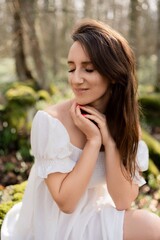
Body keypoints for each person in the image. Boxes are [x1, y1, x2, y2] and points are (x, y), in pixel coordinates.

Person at [1, 18, 160, 240]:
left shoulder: (125, 122)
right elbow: (65, 203)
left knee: (153, 227)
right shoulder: (50, 121)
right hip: (52, 225)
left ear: (113, 74)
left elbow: (123, 201)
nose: (76, 79)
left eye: (89, 69)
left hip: (93, 214)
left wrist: (110, 141)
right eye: (71, 68)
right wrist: (93, 142)